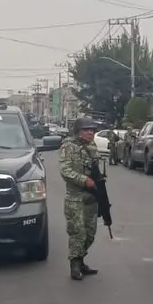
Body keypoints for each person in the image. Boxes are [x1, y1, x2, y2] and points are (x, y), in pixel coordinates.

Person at [58, 117, 101, 281]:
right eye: (87, 130)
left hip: (91, 197)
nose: (91, 132)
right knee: (78, 233)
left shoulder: (92, 147)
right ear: (78, 131)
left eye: (92, 130)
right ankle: (75, 265)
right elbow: (65, 170)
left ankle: (82, 260)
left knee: (90, 233)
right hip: (75, 198)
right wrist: (84, 180)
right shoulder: (68, 147)